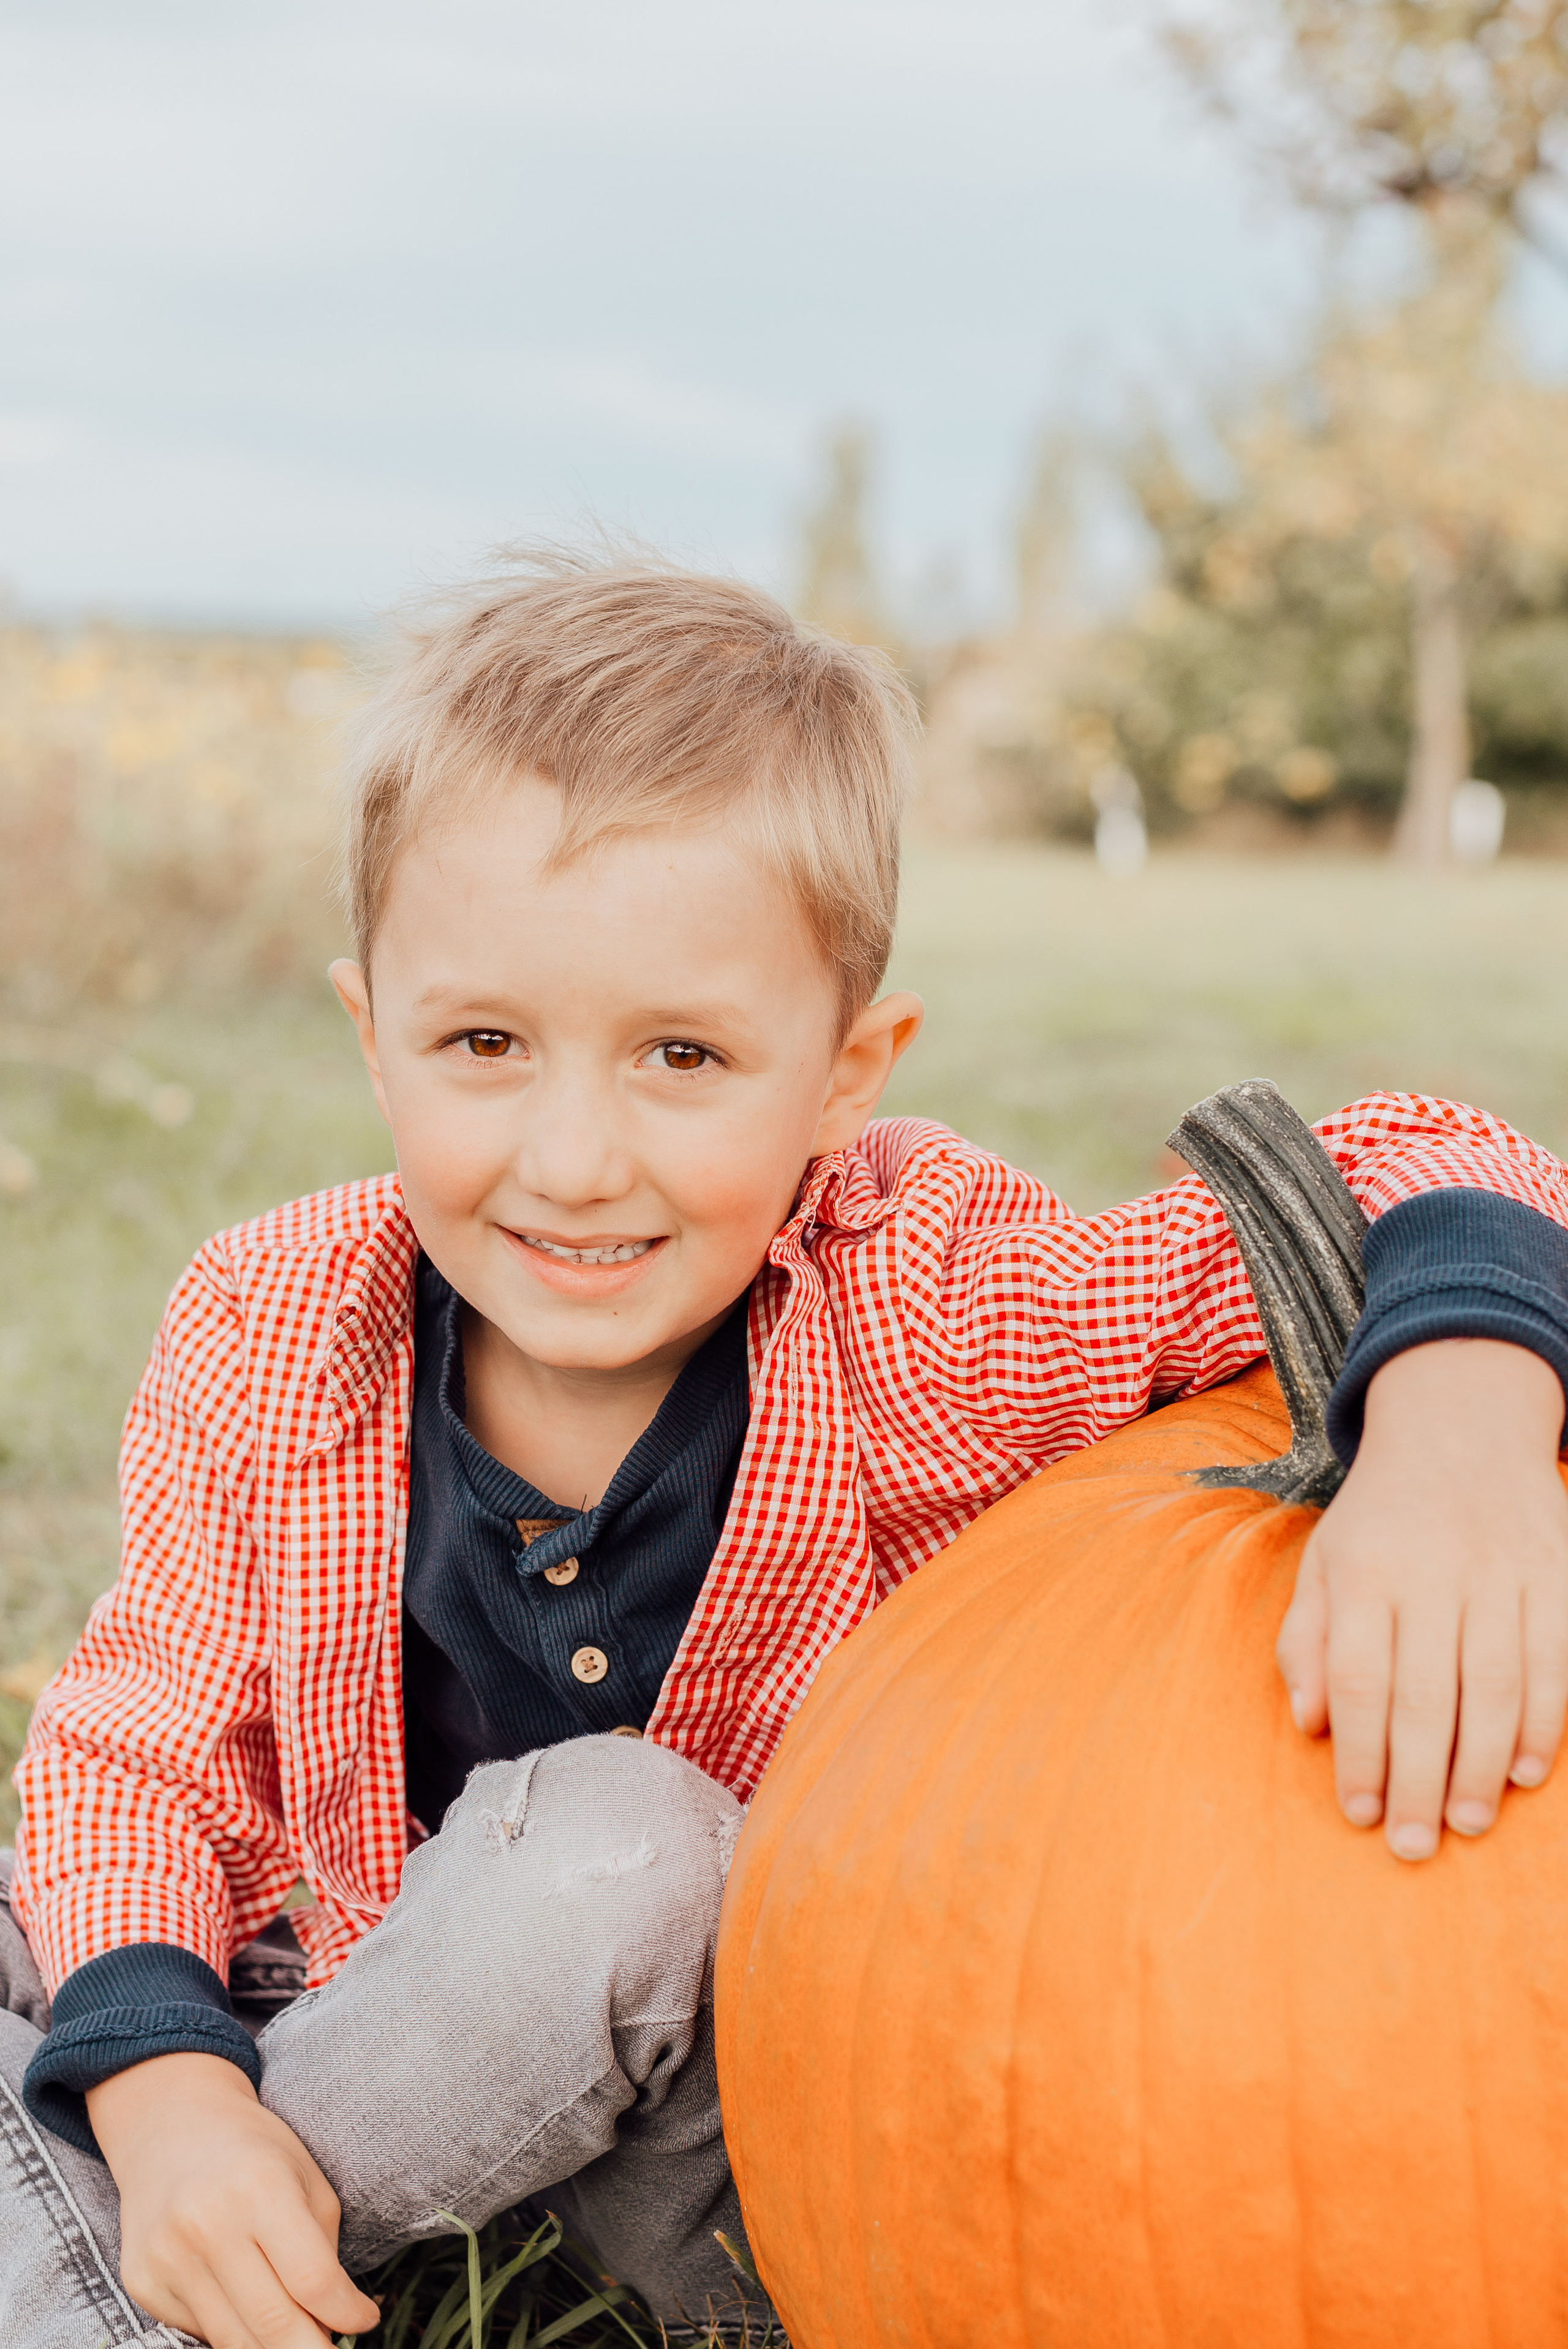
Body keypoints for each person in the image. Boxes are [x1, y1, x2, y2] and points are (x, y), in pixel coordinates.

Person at [4, 551, 1568, 2349]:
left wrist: (1458, 1443)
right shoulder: (274, 1320)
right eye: (484, 1041)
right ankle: (174, 2196)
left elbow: (1422, 1160)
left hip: (709, 2095)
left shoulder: (923, 1311)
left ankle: (114, 2281)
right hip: (316, 1980)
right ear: (375, 1035)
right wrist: (164, 2090)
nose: (574, 1158)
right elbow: (138, 1749)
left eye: (682, 1055)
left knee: (621, 1851)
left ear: (845, 1071)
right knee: (70, 1918)